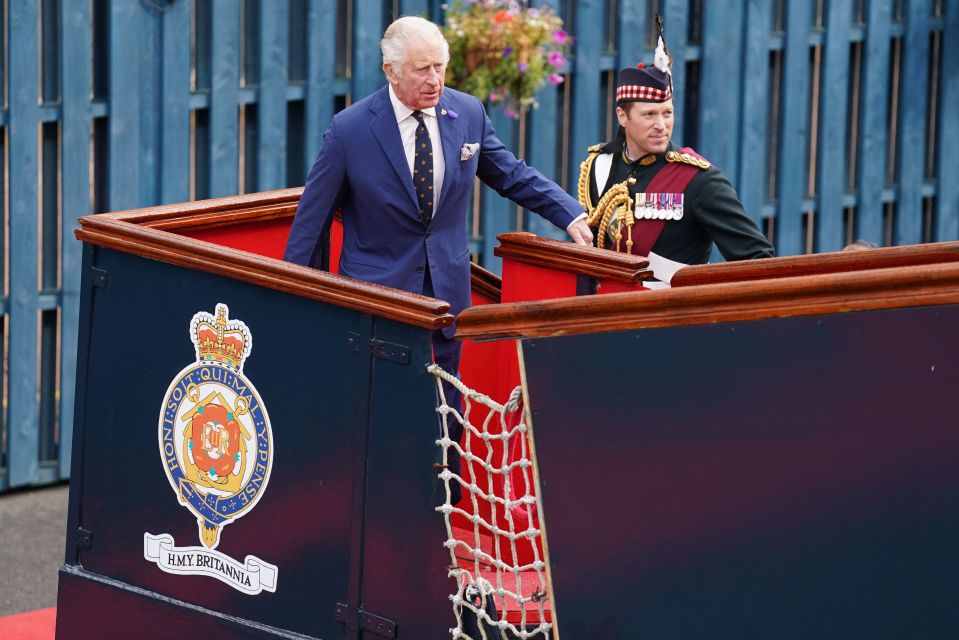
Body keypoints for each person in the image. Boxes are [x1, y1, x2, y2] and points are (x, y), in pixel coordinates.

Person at [284, 16, 592, 501]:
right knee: (380, 408)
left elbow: (510, 174)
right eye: (423, 70)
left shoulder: (466, 113)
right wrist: (296, 300)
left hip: (447, 291)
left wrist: (569, 213)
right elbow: (311, 222)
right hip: (376, 296)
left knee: (448, 399)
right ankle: (372, 503)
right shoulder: (349, 131)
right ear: (391, 70)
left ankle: (446, 508)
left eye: (441, 68)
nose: (436, 81)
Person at [578, 37, 773, 282]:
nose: (661, 125)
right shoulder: (599, 166)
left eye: (667, 113)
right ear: (622, 116)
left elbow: (758, 260)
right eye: (649, 114)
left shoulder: (700, 180)